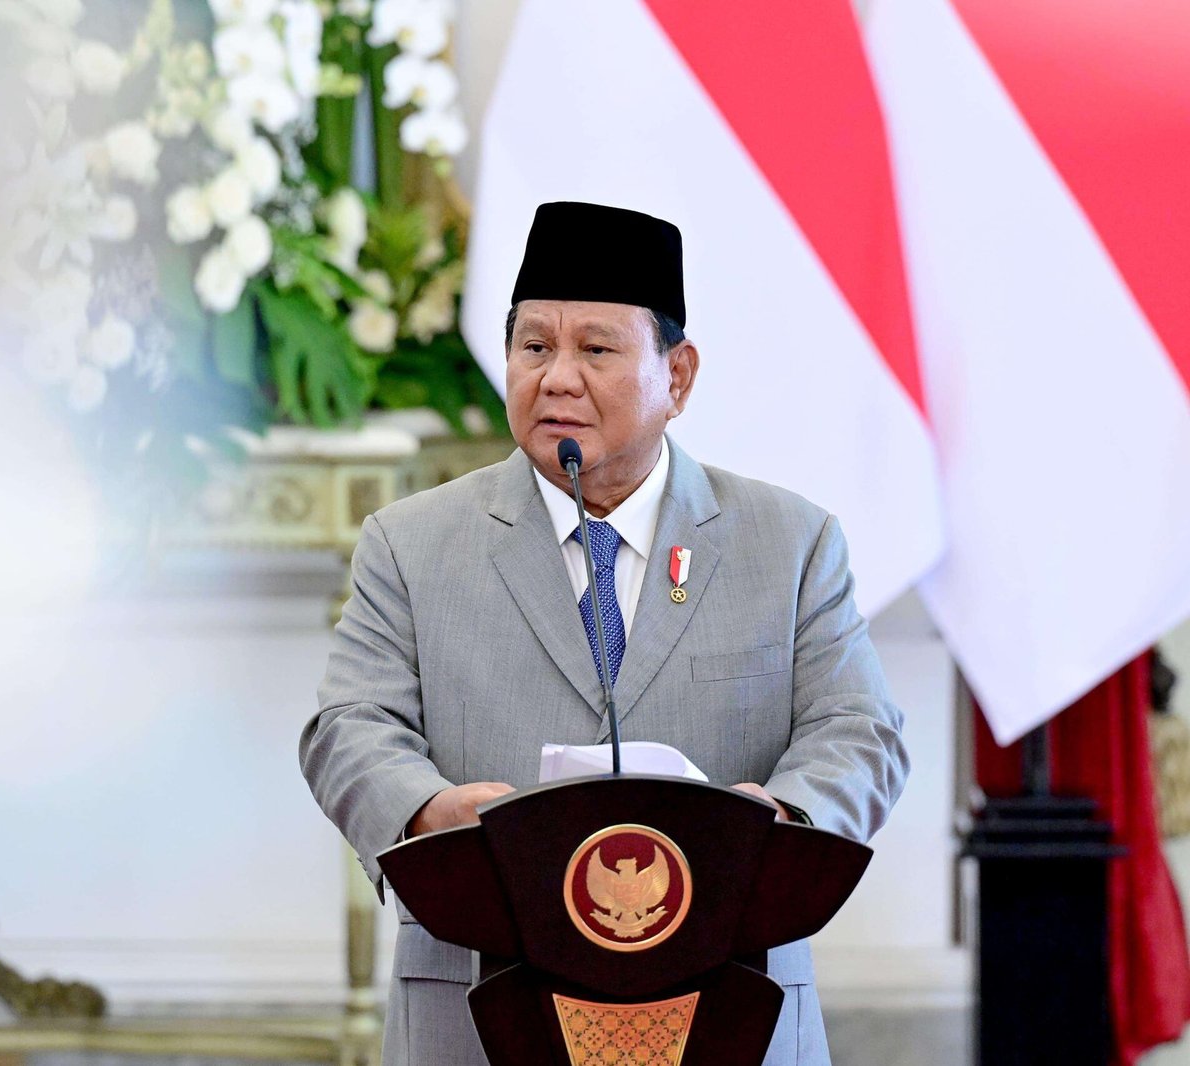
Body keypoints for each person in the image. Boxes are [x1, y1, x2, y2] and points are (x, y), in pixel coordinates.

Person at [299, 200, 908, 1066]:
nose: (556, 378)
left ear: (678, 377)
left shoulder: (790, 543)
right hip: (474, 1011)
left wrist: (777, 824)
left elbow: (861, 730)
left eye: (595, 349)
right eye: (533, 347)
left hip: (731, 1006)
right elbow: (349, 728)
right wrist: (430, 812)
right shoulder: (411, 543)